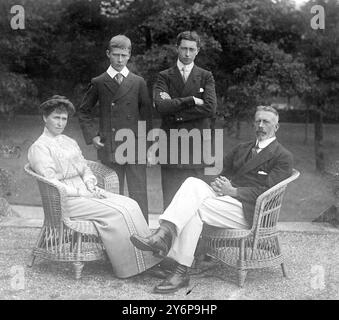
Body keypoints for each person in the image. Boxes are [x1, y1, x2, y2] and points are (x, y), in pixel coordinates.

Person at [130, 105, 293, 293]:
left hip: (252, 210)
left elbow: (269, 192)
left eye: (266, 122)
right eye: (258, 121)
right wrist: (217, 184)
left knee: (195, 210)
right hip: (224, 201)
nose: (261, 126)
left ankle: (172, 255)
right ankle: (167, 242)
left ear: (276, 127)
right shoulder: (243, 148)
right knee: (192, 182)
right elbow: (219, 172)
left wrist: (233, 191)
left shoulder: (283, 156)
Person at [28, 95, 165, 279]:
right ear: (45, 118)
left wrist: (91, 183)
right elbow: (52, 182)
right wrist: (82, 193)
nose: (60, 123)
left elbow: (84, 167)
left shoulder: (69, 141)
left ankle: (149, 258)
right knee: (119, 212)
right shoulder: (40, 147)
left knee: (130, 204)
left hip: (86, 192)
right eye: (56, 118)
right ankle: (130, 267)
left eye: (64, 118)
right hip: (65, 199)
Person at [78, 35, 152, 223]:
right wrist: (92, 136)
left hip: (134, 147)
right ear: (108, 54)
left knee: (139, 194)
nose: (120, 60)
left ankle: (142, 235)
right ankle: (112, 236)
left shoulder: (138, 82)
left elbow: (147, 117)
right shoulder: (99, 82)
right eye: (116, 55)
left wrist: (149, 146)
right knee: (111, 195)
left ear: (129, 56)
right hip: (109, 147)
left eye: (124, 56)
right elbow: (84, 111)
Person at [153, 31, 217, 209]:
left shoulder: (206, 76)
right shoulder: (164, 76)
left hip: (197, 147)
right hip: (171, 146)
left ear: (197, 51)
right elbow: (161, 107)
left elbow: (210, 108)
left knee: (197, 203)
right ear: (177, 48)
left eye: (191, 49)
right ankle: (169, 237)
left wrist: (177, 113)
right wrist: (191, 100)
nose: (187, 54)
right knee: (171, 201)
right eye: (183, 49)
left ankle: (196, 238)